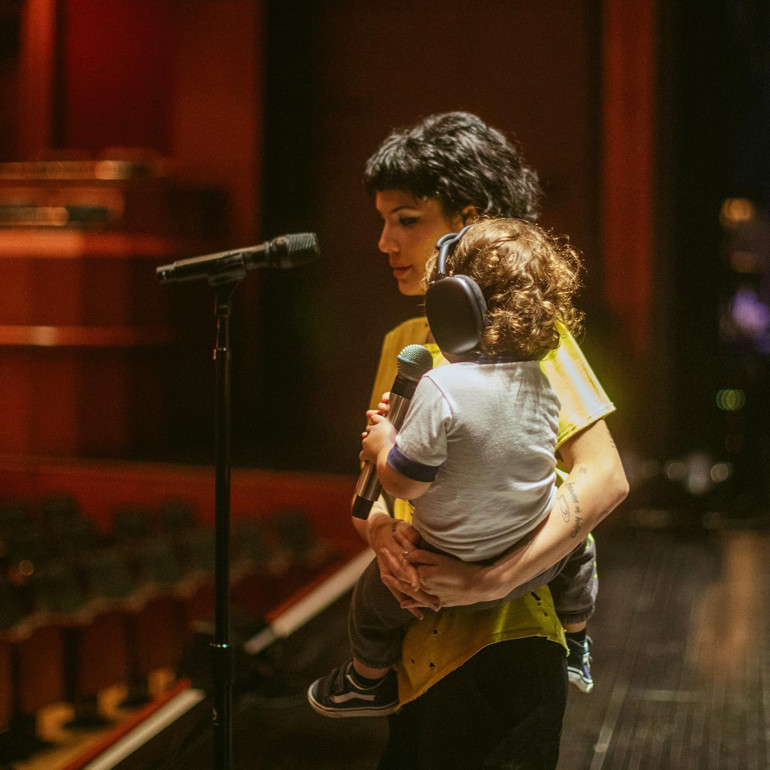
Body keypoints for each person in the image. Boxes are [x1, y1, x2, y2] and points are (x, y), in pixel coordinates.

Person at [314, 112, 628, 768]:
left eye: (407, 219)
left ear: (468, 223)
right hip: (415, 653)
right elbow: (373, 490)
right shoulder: (404, 343)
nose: (385, 242)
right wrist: (381, 535)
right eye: (382, 221)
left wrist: (492, 579)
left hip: (508, 650)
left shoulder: (530, 341)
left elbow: (605, 477)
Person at [308, 216, 597, 719]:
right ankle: (576, 641)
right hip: (533, 565)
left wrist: (384, 444)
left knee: (372, 600)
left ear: (452, 306)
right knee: (581, 545)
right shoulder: (541, 381)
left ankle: (365, 680)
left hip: (441, 571)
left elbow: (404, 483)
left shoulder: (440, 386)